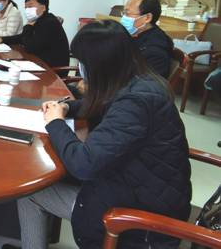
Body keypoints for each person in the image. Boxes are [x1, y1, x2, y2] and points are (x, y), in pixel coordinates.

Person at [11, 20, 191, 249]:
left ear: (100, 64)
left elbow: (84, 164)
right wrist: (66, 107)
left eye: (83, 62)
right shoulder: (138, 82)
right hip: (143, 188)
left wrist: (56, 122)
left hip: (138, 220)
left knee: (30, 193)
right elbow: (104, 102)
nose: (80, 68)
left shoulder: (135, 103)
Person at [0, 0, 69, 69]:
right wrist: (2, 39)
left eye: (30, 7)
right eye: (26, 8)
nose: (27, 10)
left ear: (43, 8)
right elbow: (22, 37)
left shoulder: (49, 22)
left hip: (52, 69)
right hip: (40, 62)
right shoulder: (40, 20)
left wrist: (28, 26)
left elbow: (30, 47)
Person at [121, 0, 173, 78]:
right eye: (123, 13)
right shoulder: (135, 35)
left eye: (127, 13)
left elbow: (144, 84)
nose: (123, 18)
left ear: (147, 18)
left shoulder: (154, 51)